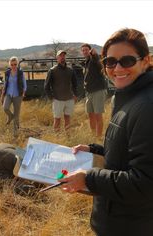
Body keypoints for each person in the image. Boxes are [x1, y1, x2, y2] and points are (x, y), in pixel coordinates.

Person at [59, 28, 153, 236]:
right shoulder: (128, 96)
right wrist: (95, 151)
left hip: (131, 226)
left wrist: (89, 178)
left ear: (146, 61)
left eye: (127, 61)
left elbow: (145, 183)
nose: (117, 68)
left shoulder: (147, 106)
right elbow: (130, 156)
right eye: (110, 62)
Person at [44, 50, 77, 132]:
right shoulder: (52, 70)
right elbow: (46, 86)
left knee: (68, 119)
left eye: (63, 56)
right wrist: (51, 98)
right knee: (57, 120)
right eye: (60, 56)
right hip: (57, 99)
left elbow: (75, 84)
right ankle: (56, 139)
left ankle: (68, 137)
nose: (62, 57)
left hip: (69, 99)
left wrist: (75, 95)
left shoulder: (70, 70)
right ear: (57, 58)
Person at [81, 43, 107, 138]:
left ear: (90, 50)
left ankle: (98, 137)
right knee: (90, 115)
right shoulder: (87, 62)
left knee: (97, 115)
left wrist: (95, 55)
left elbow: (100, 65)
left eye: (86, 50)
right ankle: (93, 136)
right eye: (83, 50)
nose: (84, 52)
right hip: (89, 92)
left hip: (98, 91)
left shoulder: (94, 59)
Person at [1, 56, 27, 136]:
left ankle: (16, 131)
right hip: (8, 94)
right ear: (10, 65)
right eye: (12, 64)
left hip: (17, 95)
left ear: (17, 64)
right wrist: (3, 93)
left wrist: (23, 92)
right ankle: (10, 116)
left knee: (17, 113)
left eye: (15, 64)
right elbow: (5, 83)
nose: (13, 66)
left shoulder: (20, 73)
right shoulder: (7, 73)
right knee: (5, 108)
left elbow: (24, 83)